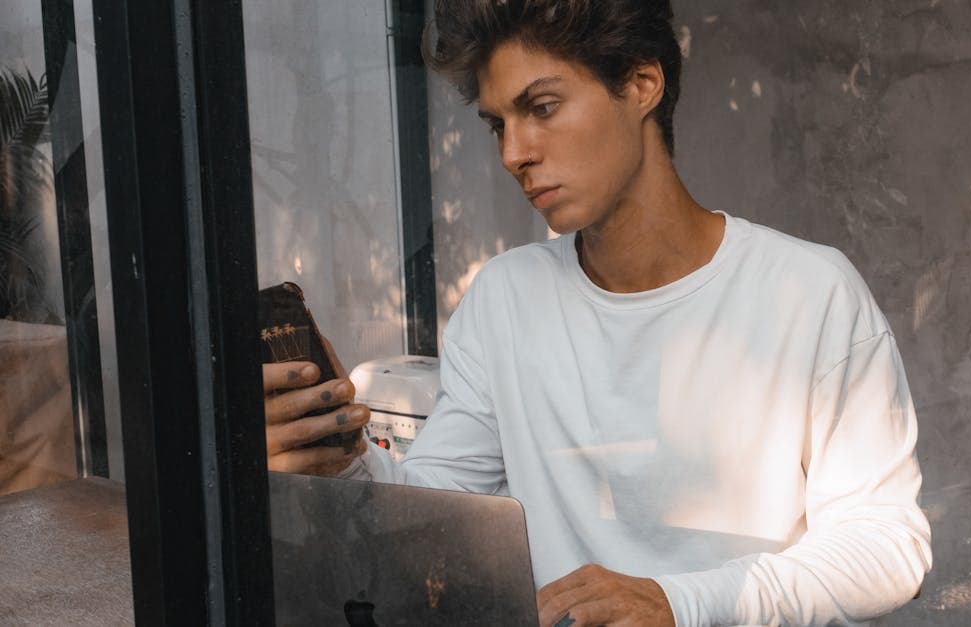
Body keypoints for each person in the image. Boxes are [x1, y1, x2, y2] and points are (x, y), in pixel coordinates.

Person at [260, 1, 932, 625]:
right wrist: (340, 455)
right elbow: (440, 513)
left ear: (642, 85)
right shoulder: (504, 299)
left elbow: (886, 544)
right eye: (499, 124)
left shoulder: (808, 292)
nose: (513, 153)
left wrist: (679, 601)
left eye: (542, 107)